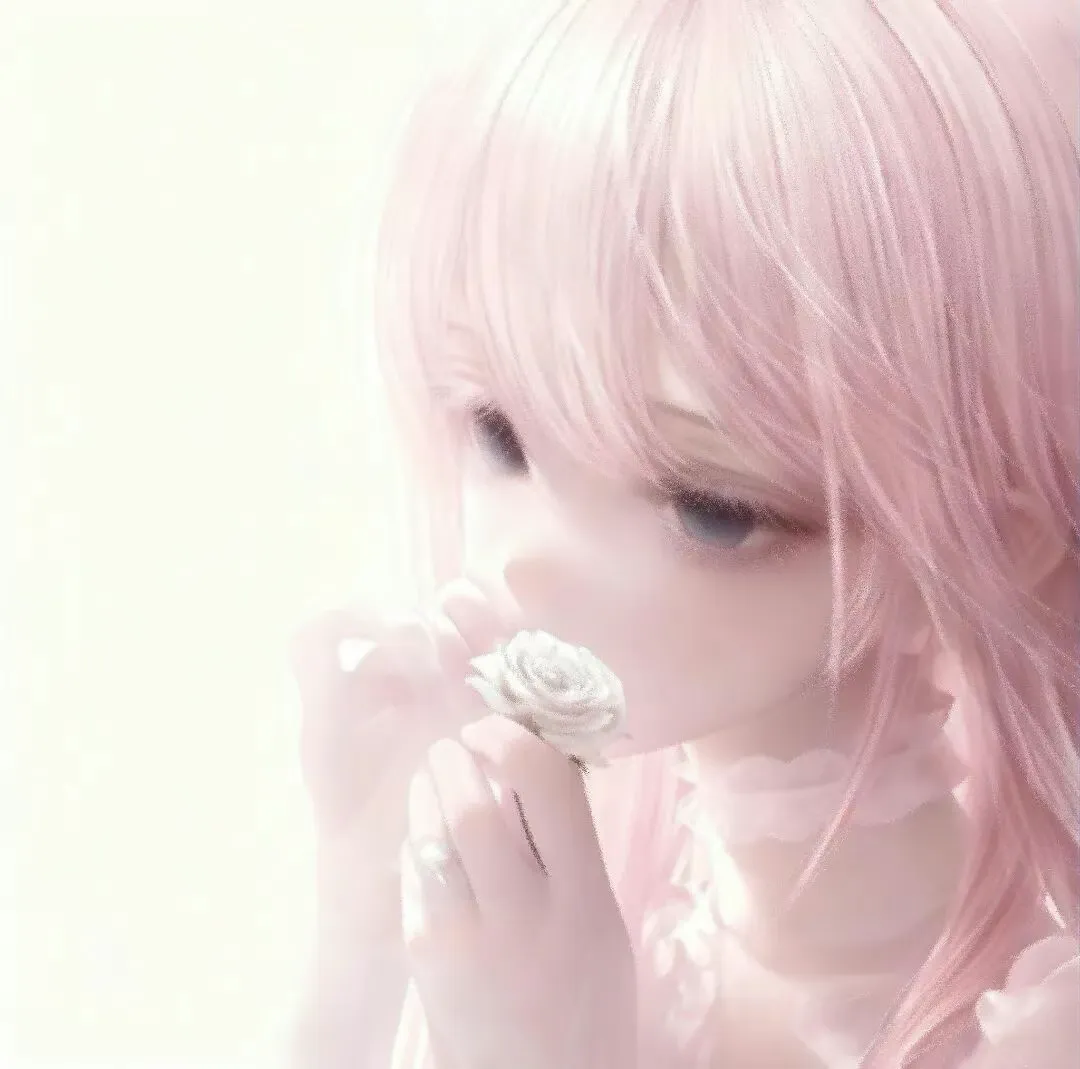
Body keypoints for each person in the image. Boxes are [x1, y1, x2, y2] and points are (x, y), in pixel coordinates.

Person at [288, 0, 1079, 1065]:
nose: (525, 558)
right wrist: (358, 939)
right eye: (500, 430)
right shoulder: (592, 915)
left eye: (711, 507)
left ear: (991, 539)